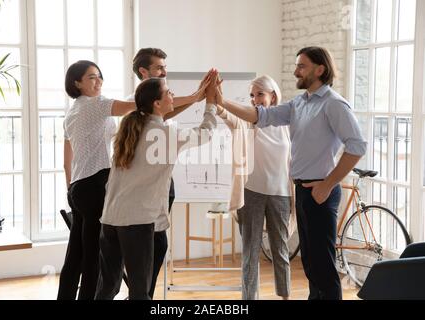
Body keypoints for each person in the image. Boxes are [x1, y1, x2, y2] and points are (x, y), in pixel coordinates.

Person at [215, 47, 367, 300]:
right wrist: (220, 101)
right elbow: (259, 115)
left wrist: (327, 185)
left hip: (320, 192)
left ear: (320, 70)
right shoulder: (300, 103)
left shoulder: (334, 104)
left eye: (302, 66)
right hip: (302, 190)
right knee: (310, 262)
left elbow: (357, 146)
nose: (295, 71)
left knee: (324, 265)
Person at [95, 72, 218, 300]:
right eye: (169, 92)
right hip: (136, 222)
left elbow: (165, 115)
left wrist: (197, 96)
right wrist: (210, 103)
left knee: (107, 288)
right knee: (139, 292)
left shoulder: (130, 128)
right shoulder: (165, 134)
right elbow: (206, 133)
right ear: (157, 103)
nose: (173, 95)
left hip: (111, 218)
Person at [123, 47, 208, 298]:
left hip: (162, 186)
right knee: (153, 246)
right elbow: (163, 112)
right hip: (143, 194)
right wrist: (197, 97)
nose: (164, 71)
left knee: (157, 246)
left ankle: (142, 294)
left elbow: (165, 111)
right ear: (143, 71)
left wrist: (195, 97)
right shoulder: (134, 103)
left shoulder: (157, 105)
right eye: (159, 67)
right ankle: (141, 294)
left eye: (164, 67)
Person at [58, 60, 136, 300]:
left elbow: (66, 160)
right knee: (94, 255)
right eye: (92, 77)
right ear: (77, 83)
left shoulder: (72, 112)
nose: (98, 80)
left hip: (79, 186)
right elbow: (134, 106)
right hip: (95, 185)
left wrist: (71, 189)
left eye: (99, 76)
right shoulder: (96, 105)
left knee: (76, 255)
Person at [216, 75, 292, 300]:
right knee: (251, 251)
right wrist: (218, 100)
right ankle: (249, 299)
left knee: (280, 250)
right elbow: (227, 116)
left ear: (273, 96)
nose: (255, 99)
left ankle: (285, 295)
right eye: (252, 95)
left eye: (260, 94)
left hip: (281, 194)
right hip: (251, 193)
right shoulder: (246, 121)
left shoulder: (287, 123)